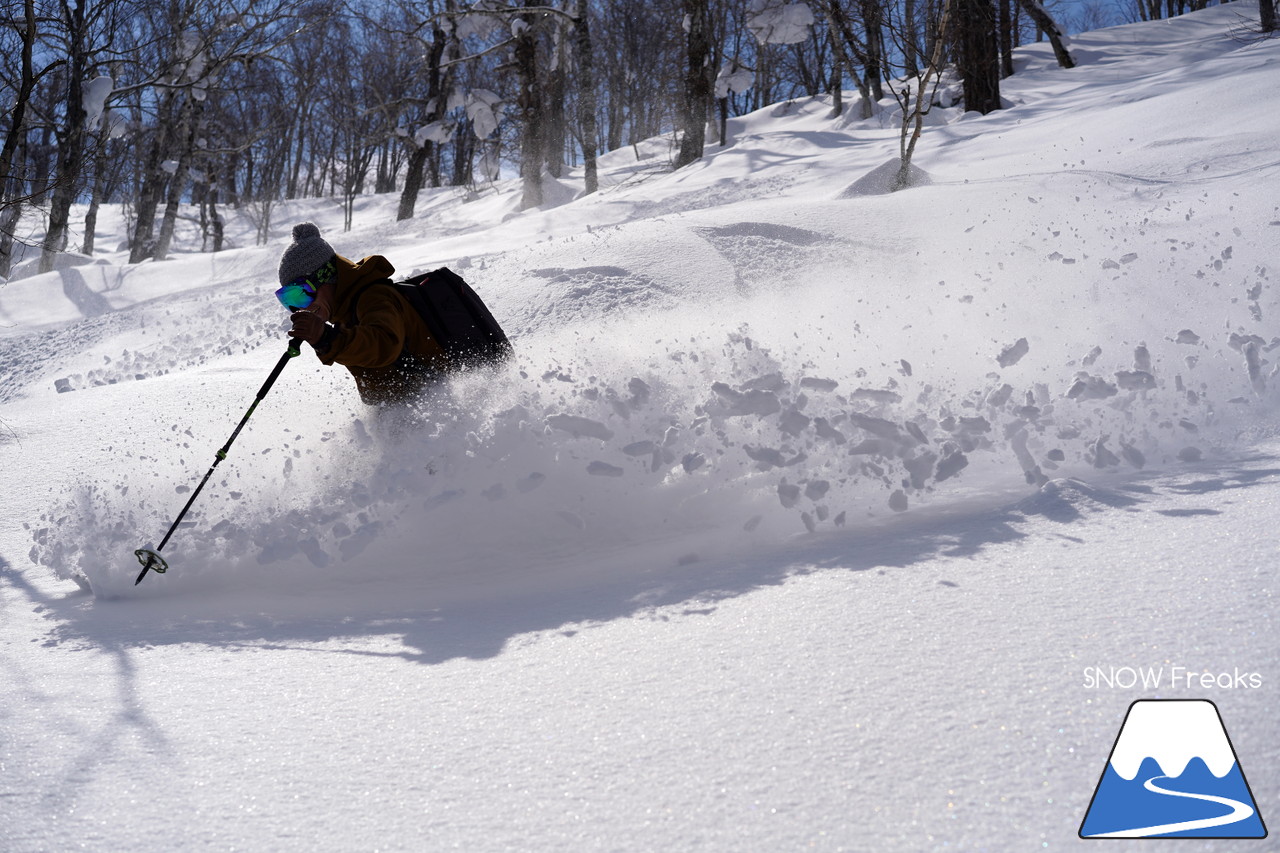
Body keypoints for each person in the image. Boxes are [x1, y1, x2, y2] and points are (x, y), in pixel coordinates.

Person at [275, 222, 445, 407]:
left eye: (301, 294)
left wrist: (326, 338)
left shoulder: (375, 297)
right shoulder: (345, 315)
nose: (300, 308)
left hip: (440, 407)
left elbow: (385, 344)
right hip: (414, 413)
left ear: (326, 277)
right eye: (289, 299)